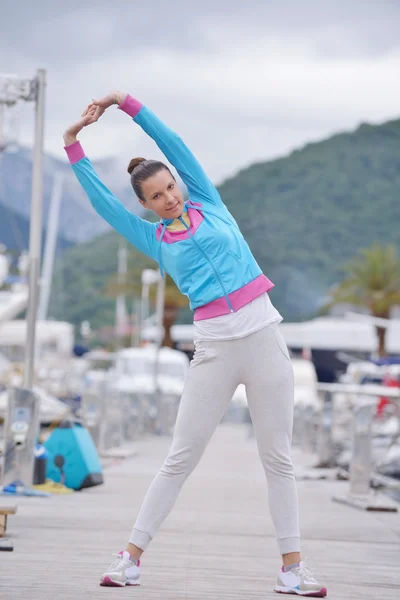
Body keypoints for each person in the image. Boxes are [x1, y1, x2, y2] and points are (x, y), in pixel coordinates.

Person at [63, 91, 327, 597]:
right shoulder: (154, 239)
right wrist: (73, 142)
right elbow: (100, 200)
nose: (170, 198)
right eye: (157, 197)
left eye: (170, 188)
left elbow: (173, 142)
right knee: (180, 458)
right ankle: (130, 558)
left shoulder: (208, 200)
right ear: (146, 206)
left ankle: (293, 568)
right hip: (214, 347)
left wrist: (126, 103)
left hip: (263, 334)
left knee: (278, 458)